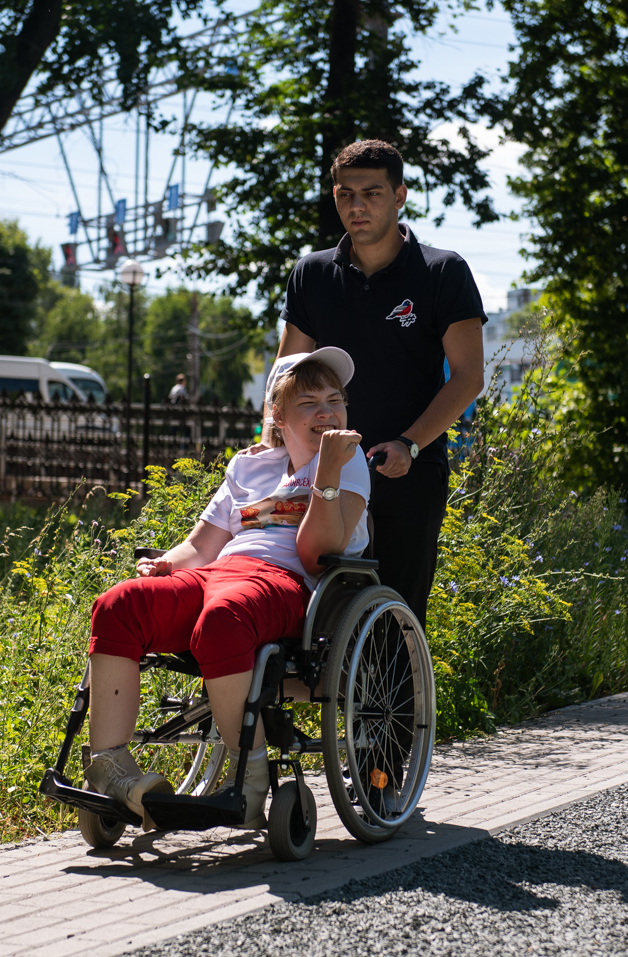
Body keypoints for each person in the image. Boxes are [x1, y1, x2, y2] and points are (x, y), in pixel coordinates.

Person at [82, 348, 370, 829]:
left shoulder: (346, 460)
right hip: (221, 573)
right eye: (308, 402)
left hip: (287, 584)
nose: (326, 411)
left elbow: (317, 554)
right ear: (277, 413)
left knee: (222, 619)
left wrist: (327, 473)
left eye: (335, 400)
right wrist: (163, 566)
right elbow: (200, 548)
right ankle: (110, 766)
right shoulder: (248, 466)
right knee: (119, 603)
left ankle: (249, 776)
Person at [278, 139, 486, 625]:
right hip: (323, 472)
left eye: (372, 193)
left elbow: (468, 377)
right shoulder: (312, 274)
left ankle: (389, 706)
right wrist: (274, 448)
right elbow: (287, 375)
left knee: (395, 618)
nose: (357, 206)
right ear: (334, 197)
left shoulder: (442, 272)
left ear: (400, 196)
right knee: (314, 620)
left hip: (407, 469)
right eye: (346, 194)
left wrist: (409, 445)